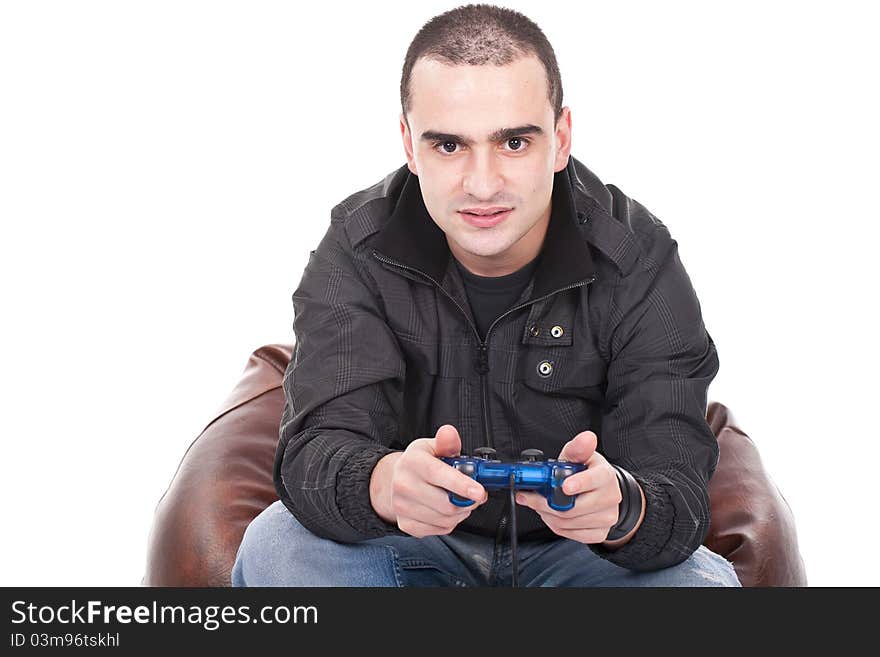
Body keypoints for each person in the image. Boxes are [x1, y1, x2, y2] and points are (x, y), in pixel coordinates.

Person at [232, 3, 741, 587]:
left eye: (515, 143)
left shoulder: (639, 259)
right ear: (408, 144)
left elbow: (677, 479)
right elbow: (315, 449)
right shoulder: (356, 249)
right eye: (448, 146)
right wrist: (384, 485)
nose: (482, 184)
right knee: (278, 546)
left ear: (561, 138)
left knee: (702, 585)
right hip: (409, 547)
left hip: (586, 560)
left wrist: (623, 507)